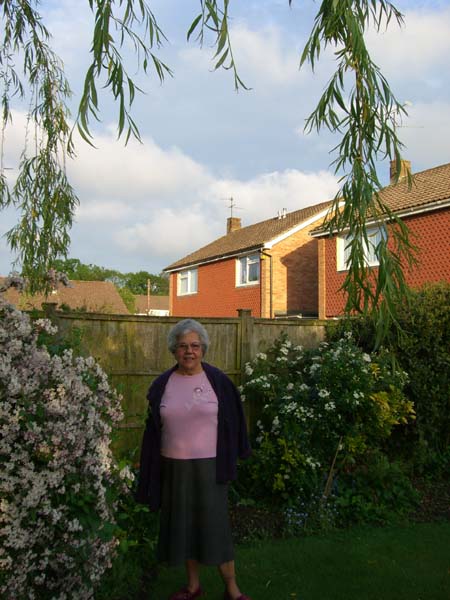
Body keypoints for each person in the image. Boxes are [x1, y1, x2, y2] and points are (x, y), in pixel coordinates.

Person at [136, 318, 252, 600]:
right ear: (174, 350)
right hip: (173, 468)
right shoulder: (163, 384)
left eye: (195, 346)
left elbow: (235, 421)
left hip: (210, 468)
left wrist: (239, 452)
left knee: (216, 528)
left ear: (203, 349)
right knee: (184, 527)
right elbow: (153, 429)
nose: (189, 351)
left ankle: (232, 590)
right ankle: (193, 586)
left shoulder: (219, 382)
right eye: (183, 346)